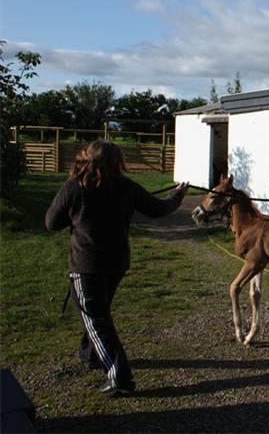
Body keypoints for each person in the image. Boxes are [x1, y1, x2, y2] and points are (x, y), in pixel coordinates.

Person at [45, 140, 188, 397]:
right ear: (117, 161)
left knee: (96, 319)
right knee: (98, 313)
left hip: (87, 265)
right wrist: (178, 195)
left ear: (87, 159)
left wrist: (75, 215)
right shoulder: (127, 187)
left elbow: (51, 222)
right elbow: (159, 209)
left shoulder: (75, 187)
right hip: (117, 263)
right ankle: (90, 356)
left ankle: (119, 377)